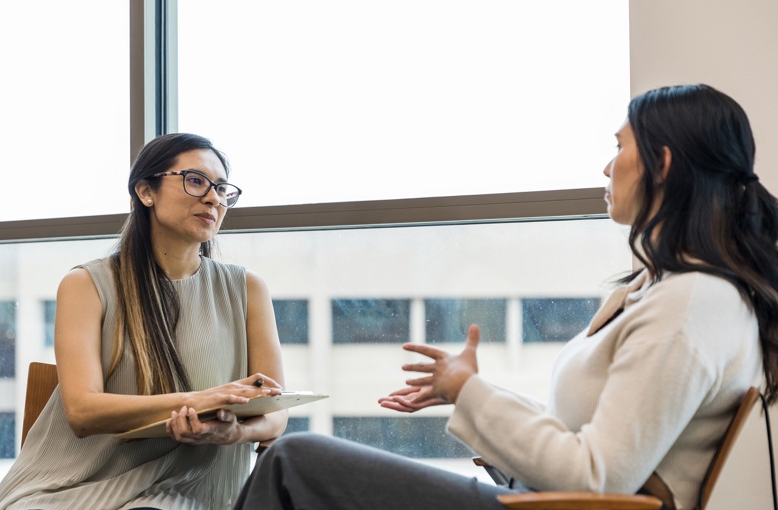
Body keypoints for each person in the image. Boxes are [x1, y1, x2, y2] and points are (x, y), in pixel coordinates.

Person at [233, 83, 778, 510]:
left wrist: (470, 392)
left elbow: (596, 478)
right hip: (547, 501)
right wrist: (463, 392)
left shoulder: (692, 302)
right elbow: (582, 444)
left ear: (662, 162)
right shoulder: (671, 292)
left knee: (294, 460)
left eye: (619, 147)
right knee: (298, 464)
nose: (607, 166)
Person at [0, 133, 288, 510]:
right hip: (67, 490)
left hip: (191, 493)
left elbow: (275, 415)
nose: (214, 198)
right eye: (195, 181)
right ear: (146, 191)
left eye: (222, 188)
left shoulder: (247, 289)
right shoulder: (86, 284)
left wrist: (234, 432)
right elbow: (82, 412)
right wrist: (203, 399)